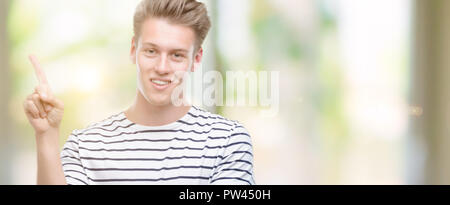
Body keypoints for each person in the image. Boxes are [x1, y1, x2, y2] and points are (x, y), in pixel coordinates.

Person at [23, 0, 255, 185]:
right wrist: (47, 136)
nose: (162, 68)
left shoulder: (227, 141)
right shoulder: (85, 146)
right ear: (134, 50)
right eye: (152, 51)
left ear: (196, 59)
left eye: (177, 55)